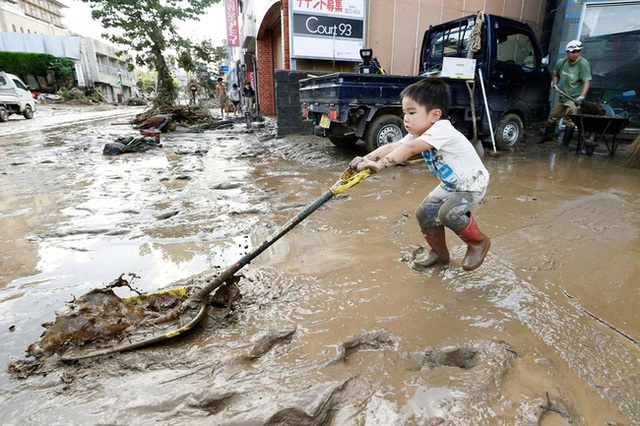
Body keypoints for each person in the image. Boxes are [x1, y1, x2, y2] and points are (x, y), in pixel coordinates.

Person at [350, 78, 491, 271]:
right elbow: (395, 146)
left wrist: (380, 165)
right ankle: (439, 253)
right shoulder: (418, 133)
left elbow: (409, 149)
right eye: (404, 113)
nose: (406, 118)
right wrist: (366, 158)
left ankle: (478, 242)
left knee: (448, 214)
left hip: (471, 186)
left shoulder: (442, 130)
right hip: (450, 185)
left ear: (435, 115)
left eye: (412, 112)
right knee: (424, 213)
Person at [538, 39, 592, 145]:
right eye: (573, 52)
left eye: (578, 51)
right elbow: (556, 75)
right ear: (567, 52)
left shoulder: (583, 64)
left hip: (574, 98)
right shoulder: (561, 63)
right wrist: (554, 83)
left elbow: (587, 81)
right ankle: (547, 137)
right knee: (553, 117)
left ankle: (565, 144)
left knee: (570, 121)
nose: (575, 54)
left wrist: (582, 96)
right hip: (563, 96)